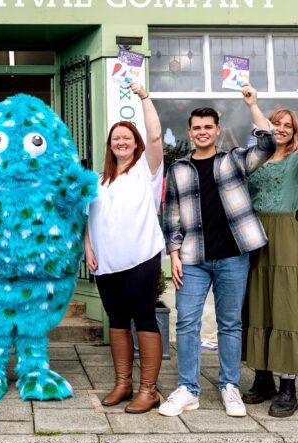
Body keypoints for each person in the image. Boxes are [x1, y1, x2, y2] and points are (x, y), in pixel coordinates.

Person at [159, 84, 275, 418]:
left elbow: (267, 144)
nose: (202, 132)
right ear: (190, 132)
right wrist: (174, 255)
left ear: (217, 131)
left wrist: (252, 104)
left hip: (233, 257)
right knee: (187, 324)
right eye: (196, 128)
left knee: (229, 323)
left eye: (208, 127)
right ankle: (188, 390)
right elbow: (172, 215)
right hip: (193, 259)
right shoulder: (179, 168)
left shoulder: (235, 160)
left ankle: (229, 386)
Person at [84, 82, 165, 414]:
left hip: (141, 258)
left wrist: (145, 97)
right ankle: (123, 383)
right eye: (116, 138)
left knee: (144, 319)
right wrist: (88, 248)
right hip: (105, 263)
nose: (121, 141)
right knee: (116, 320)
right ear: (110, 144)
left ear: (136, 144)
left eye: (127, 137)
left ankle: (149, 389)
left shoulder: (147, 170)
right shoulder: (98, 180)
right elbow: (87, 219)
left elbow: (157, 137)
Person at [243, 108, 298, 417]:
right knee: (256, 303)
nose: (281, 129)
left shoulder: (296, 159)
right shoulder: (255, 158)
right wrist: (252, 103)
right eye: (276, 123)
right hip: (253, 235)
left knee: (285, 306)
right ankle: (262, 377)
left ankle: (288, 384)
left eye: (287, 125)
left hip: (287, 234)